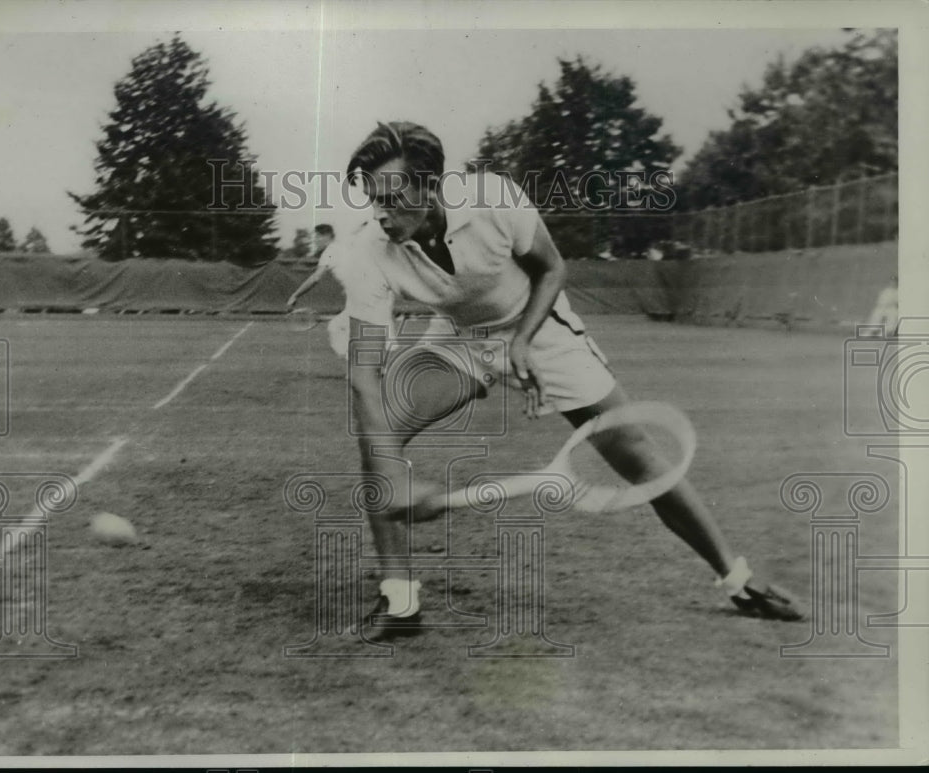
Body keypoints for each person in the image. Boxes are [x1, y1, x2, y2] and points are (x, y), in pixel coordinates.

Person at [338, 121, 803, 640]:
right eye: (372, 200)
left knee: (634, 451)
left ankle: (738, 579)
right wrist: (390, 478)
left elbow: (551, 270)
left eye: (392, 197)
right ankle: (400, 603)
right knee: (378, 436)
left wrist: (521, 342)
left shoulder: (494, 199)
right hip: (458, 334)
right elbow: (363, 374)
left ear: (430, 184)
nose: (381, 214)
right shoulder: (367, 252)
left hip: (538, 327)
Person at [286, 224, 350, 357]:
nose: (314, 241)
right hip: (369, 293)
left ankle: (361, 369)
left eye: (316, 237)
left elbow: (316, 277)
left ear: (325, 236)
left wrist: (295, 295)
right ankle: (370, 369)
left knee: (336, 328)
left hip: (362, 295)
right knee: (343, 328)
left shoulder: (330, 252)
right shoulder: (345, 247)